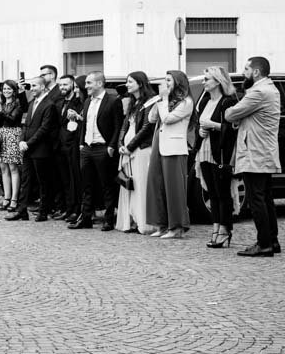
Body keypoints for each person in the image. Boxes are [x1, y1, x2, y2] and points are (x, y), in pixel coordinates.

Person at [225, 57, 282, 257]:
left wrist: (231, 113)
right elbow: (249, 117)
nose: (243, 72)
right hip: (263, 151)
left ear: (256, 72)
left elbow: (231, 114)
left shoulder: (258, 91)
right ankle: (272, 241)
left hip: (255, 153)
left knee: (257, 199)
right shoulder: (270, 89)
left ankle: (264, 244)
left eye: (246, 69)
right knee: (265, 198)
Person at [68, 71, 124, 231]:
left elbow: (117, 126)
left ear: (99, 83)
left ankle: (108, 220)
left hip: (103, 148)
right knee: (86, 185)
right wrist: (81, 144)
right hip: (87, 148)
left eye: (89, 83)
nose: (86, 86)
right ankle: (85, 218)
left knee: (107, 185)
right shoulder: (87, 102)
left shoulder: (113, 101)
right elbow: (85, 124)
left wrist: (111, 147)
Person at [146, 70, 194, 238]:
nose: (165, 84)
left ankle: (177, 227)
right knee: (156, 185)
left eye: (168, 80)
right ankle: (162, 224)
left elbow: (168, 119)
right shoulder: (165, 101)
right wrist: (158, 101)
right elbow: (152, 119)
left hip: (174, 147)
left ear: (178, 82)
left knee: (173, 188)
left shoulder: (186, 102)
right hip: (159, 145)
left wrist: (164, 100)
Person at [195, 67, 239, 248]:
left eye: (207, 79)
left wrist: (212, 124)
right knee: (211, 193)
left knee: (223, 193)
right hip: (204, 150)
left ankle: (225, 230)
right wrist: (200, 129)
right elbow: (199, 125)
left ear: (218, 81)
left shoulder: (227, 102)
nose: (203, 82)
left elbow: (233, 128)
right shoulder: (205, 101)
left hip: (220, 153)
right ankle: (215, 228)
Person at [11, 65, 62, 222]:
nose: (31, 89)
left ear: (42, 86)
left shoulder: (49, 105)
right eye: (31, 86)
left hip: (41, 149)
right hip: (27, 148)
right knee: (26, 180)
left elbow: (45, 128)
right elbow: (26, 124)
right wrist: (21, 141)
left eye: (34, 86)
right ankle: (22, 210)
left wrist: (29, 143)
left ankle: (43, 211)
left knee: (43, 181)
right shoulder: (32, 103)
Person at [116, 71, 156, 234]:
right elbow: (125, 125)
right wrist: (120, 143)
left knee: (140, 183)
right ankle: (130, 220)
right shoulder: (133, 102)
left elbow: (147, 127)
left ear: (140, 83)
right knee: (128, 184)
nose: (127, 85)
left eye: (130, 82)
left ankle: (143, 221)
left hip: (141, 149)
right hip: (127, 150)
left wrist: (130, 146)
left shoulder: (151, 102)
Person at [0, 80, 26, 214]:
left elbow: (12, 119)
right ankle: (6, 197)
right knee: (3, 168)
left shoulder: (18, 103)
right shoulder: (2, 103)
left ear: (14, 90)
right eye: (4, 89)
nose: (6, 91)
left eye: (9, 89)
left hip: (13, 135)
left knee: (13, 168)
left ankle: (15, 199)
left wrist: (1, 114)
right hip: (2, 136)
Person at [54, 75, 84, 223]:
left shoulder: (79, 102)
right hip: (59, 146)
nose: (62, 87)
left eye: (65, 84)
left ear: (72, 85)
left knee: (73, 180)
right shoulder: (59, 101)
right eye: (60, 85)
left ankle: (75, 210)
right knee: (63, 180)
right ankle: (65, 208)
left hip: (73, 145)